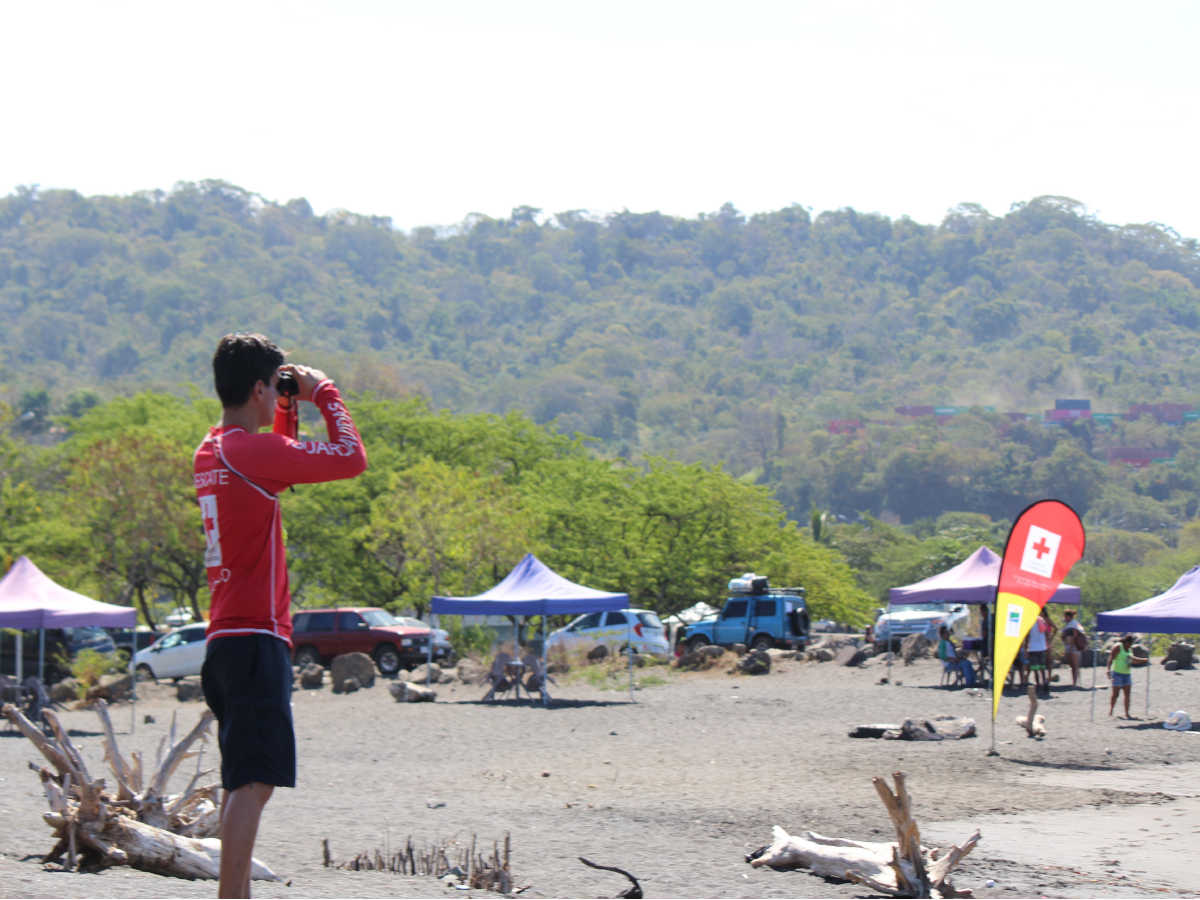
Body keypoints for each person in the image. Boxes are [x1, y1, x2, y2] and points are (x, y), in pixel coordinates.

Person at [195, 333, 367, 898]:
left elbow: (281, 465)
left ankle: (236, 894)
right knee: (253, 781)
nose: (277, 397)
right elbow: (351, 459)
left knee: (244, 779)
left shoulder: (216, 448)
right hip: (253, 637)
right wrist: (325, 394)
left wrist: (288, 408)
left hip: (227, 636)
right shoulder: (247, 452)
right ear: (256, 387)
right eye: (274, 388)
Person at [1108, 633, 1147, 719]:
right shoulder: (1118, 647)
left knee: (1127, 695)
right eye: (1129, 643)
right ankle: (1111, 710)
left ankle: (1127, 713)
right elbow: (1111, 658)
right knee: (1115, 694)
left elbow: (1132, 660)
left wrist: (1143, 660)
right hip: (1117, 673)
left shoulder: (1129, 650)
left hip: (1126, 674)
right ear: (1125, 642)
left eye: (1131, 644)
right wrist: (1108, 670)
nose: (1130, 645)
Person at [1026, 607, 1056, 697]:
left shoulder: (1029, 621)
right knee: (1042, 668)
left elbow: (1027, 636)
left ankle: (1038, 685)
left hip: (1033, 648)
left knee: (1035, 668)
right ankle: (1044, 684)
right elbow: (1047, 633)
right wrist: (1048, 642)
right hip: (1042, 647)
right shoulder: (1042, 620)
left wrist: (1026, 647)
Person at [1059, 608, 1087, 687]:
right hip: (1069, 646)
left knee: (1075, 665)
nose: (1064, 618)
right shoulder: (1069, 624)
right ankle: (1075, 681)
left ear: (1069, 616)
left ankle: (1075, 682)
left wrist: (1071, 647)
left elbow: (1075, 636)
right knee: (1072, 665)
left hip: (1073, 647)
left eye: (1065, 616)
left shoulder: (1074, 624)